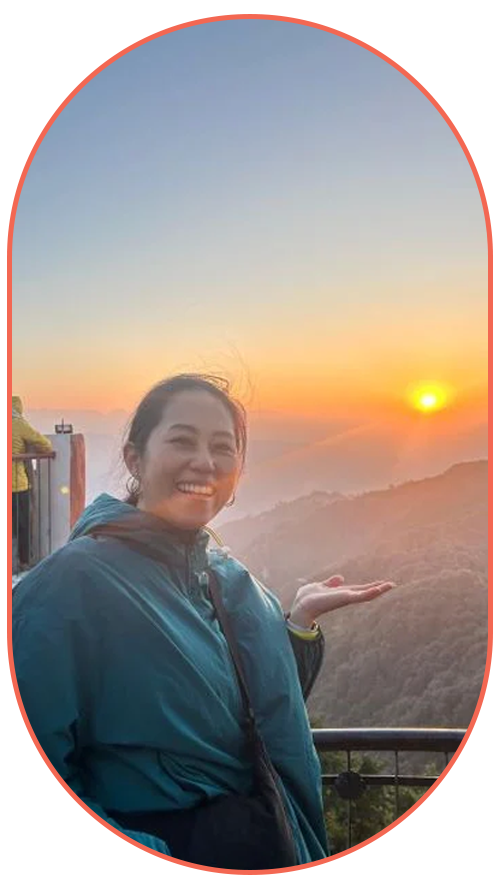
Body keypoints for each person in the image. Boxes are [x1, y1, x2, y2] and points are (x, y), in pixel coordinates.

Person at [14, 374, 395, 876]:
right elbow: (23, 794)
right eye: (182, 441)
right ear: (135, 458)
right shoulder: (68, 588)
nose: (205, 462)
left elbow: (249, 716)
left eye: (222, 447)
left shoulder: (232, 582)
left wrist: (298, 626)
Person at [12, 395, 53, 571]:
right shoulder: (18, 424)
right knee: (22, 524)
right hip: (17, 485)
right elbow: (45, 444)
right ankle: (23, 561)